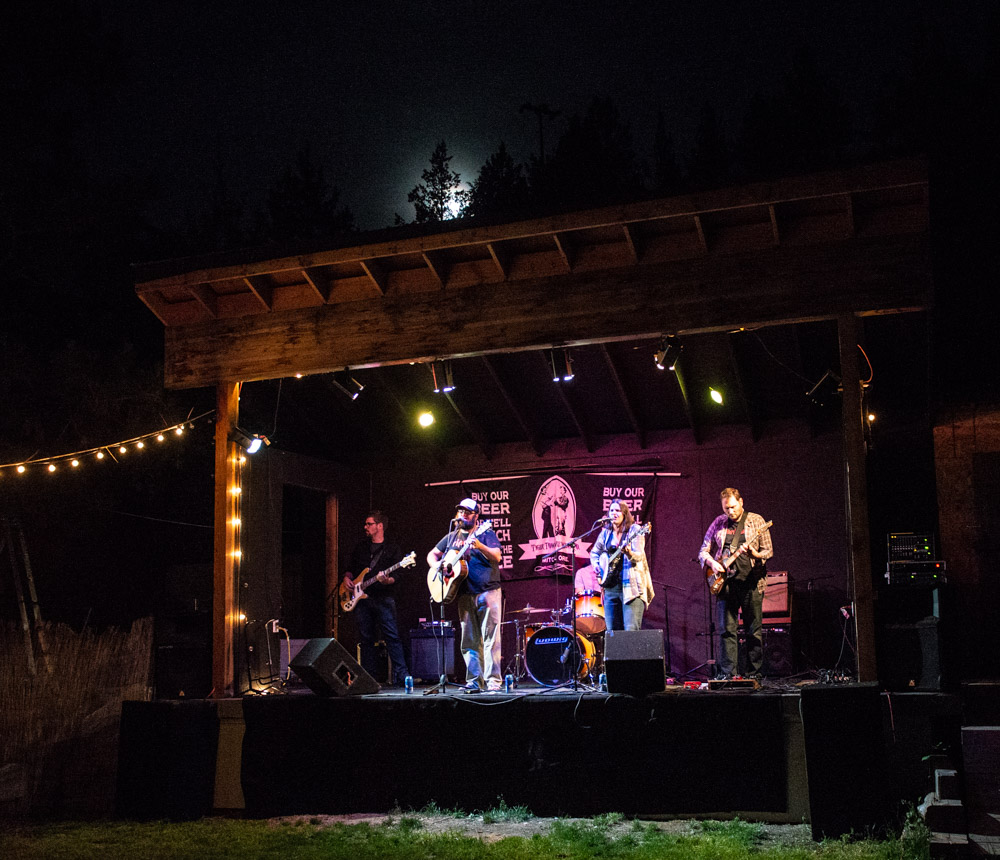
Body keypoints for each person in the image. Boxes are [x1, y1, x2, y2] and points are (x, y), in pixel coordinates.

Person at [426, 498, 503, 692]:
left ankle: (493, 682)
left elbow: (497, 556)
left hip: (487, 590)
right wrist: (438, 567)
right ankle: (474, 681)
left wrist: (479, 546)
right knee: (468, 641)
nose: (463, 515)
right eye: (460, 512)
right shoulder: (452, 536)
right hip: (464, 593)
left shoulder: (485, 533)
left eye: (467, 512)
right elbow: (431, 555)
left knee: (490, 640)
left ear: (476, 516)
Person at [698, 488, 773, 680]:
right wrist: (713, 563)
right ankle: (727, 674)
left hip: (751, 583)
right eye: (726, 508)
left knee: (753, 631)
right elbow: (703, 551)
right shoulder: (719, 522)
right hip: (726, 585)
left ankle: (753, 674)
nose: (730, 512)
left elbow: (768, 551)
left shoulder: (756, 521)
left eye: (732, 507)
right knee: (726, 631)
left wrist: (755, 555)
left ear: (741, 502)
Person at [342, 510, 410, 686]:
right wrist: (347, 578)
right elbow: (350, 568)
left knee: (392, 637)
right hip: (362, 600)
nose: (365, 527)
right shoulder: (360, 547)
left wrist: (387, 580)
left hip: (383, 598)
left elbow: (399, 575)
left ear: (379, 526)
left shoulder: (392, 548)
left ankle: (402, 675)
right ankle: (368, 676)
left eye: (369, 524)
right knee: (366, 639)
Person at [589, 500, 654, 633]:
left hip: (631, 588)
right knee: (613, 632)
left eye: (617, 510)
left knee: (630, 632)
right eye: (611, 510)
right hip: (610, 589)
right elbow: (594, 552)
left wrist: (629, 553)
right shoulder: (605, 533)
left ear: (624, 513)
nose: (614, 513)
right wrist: (597, 566)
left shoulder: (635, 530)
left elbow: (639, 556)